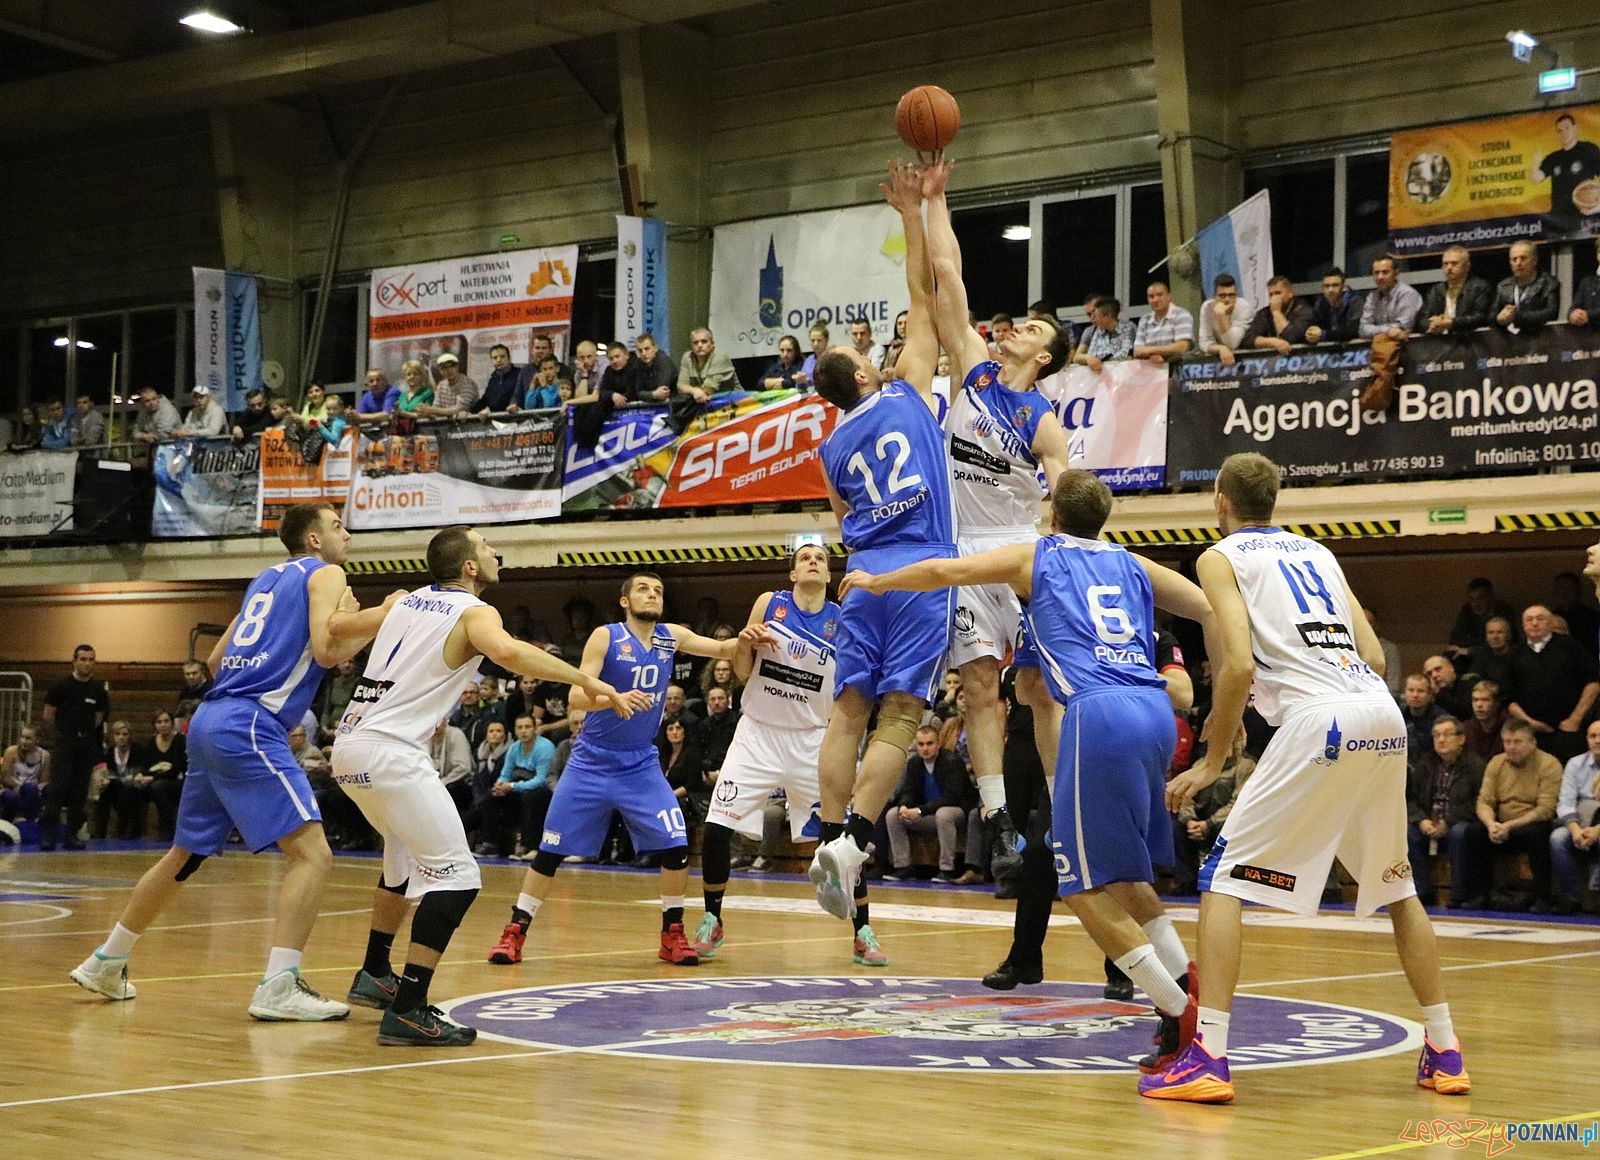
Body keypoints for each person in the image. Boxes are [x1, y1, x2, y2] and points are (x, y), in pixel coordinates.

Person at [843, 468, 1213, 1074]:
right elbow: (1207, 606)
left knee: (1078, 883)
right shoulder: (1135, 565)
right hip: (1156, 713)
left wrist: (879, 581)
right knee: (1121, 876)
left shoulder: (1038, 558)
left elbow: (945, 572)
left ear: (1054, 517)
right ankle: (1182, 980)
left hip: (1099, 714)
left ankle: (1177, 1011)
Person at [1146, 451, 1469, 1103]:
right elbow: (1373, 653)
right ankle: (1445, 1050)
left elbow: (1235, 664)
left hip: (1321, 720)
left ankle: (1208, 1055)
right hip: (1378, 712)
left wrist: (1212, 759)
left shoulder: (1220, 556)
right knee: (1397, 887)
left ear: (1220, 500)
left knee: (1222, 877)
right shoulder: (1318, 552)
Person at [70, 503, 394, 1019]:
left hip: (209, 719)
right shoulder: (327, 573)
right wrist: (385, 612)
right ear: (312, 540)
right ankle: (279, 986)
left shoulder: (264, 580)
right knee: (314, 855)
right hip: (248, 724)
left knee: (184, 853)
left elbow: (217, 662)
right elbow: (328, 651)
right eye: (337, 526)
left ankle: (108, 959)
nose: (347, 534)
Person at [333, 525, 639, 1045]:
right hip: (390, 753)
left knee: (402, 862)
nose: (497, 552)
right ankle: (408, 1008)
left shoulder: (406, 601)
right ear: (470, 567)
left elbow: (337, 631)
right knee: (457, 876)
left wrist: (334, 599)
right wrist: (586, 680)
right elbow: (510, 653)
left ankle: (374, 973)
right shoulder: (475, 611)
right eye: (487, 547)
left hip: (349, 747)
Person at [805, 160, 956, 923]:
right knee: (902, 713)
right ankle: (854, 840)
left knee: (846, 714)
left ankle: (828, 831)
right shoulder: (904, 390)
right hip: (923, 570)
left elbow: (838, 523)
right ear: (865, 374)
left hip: (862, 572)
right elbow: (925, 298)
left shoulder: (830, 450)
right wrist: (912, 209)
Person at [920, 155, 1073, 887]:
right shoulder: (974, 372)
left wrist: (1057, 540)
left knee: (1041, 691)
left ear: (1042, 356)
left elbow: (1071, 498)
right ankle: (999, 818)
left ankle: (1065, 809)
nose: (1013, 329)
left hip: (1023, 558)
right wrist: (935, 200)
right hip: (965, 554)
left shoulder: (1043, 424)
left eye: (1031, 328)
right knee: (979, 686)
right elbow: (948, 276)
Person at [486, 572, 762, 968]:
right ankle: (515, 931)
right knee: (550, 851)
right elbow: (577, 696)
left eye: (659, 591)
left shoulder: (670, 636)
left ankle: (672, 933)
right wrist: (611, 698)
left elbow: (722, 646)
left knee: (676, 844)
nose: (652, 594)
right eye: (643, 589)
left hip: (640, 763)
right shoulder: (606, 636)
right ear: (625, 601)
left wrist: (761, 636)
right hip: (591, 761)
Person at [692, 545, 889, 963]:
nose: (813, 561)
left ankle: (864, 930)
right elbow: (743, 671)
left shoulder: (843, 616)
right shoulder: (769, 604)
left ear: (830, 574)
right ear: (793, 574)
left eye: (820, 557)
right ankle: (713, 919)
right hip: (758, 733)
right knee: (716, 827)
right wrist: (745, 642)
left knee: (840, 840)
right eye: (805, 559)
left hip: (815, 738)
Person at [38, 643, 110, 850]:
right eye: (83, 659)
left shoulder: (97, 689)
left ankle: (72, 833)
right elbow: (48, 715)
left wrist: (84, 733)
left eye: (91, 659)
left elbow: (99, 717)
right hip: (64, 743)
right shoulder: (61, 685)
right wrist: (63, 735)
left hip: (86, 744)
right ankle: (49, 834)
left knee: (79, 790)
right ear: (75, 661)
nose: (87, 663)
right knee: (58, 787)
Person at [1531, 111, 1600, 234]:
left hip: (1583, 217)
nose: (1564, 133)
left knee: (1584, 251)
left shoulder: (1588, 150)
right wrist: (1535, 163)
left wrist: (1597, 206)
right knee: (1558, 251)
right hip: (1558, 219)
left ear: (1575, 129)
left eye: (1567, 128)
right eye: (1560, 130)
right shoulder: (1553, 158)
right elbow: (1536, 178)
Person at [1417, 247, 1494, 336]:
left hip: (1469, 341)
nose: (1449, 267)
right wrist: (1431, 324)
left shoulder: (1480, 287)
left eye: (1454, 263)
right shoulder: (1436, 290)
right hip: (1439, 342)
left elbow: (1481, 318)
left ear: (1467, 266)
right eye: (1445, 264)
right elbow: (1421, 321)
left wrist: (1451, 323)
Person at [1, 726, 50, 832]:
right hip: (12, 787)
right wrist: (18, 787)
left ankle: (30, 824)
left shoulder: (45, 755)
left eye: (28, 738)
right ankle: (9, 824)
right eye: (22, 737)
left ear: (37, 740)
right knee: (14, 795)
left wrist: (37, 788)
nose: (24, 741)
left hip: (32, 790)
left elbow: (43, 781)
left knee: (34, 789)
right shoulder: (11, 751)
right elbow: (5, 778)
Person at [1305, 269, 1363, 344]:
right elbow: (1313, 324)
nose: (1330, 290)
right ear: (1322, 288)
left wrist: (1324, 335)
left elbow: (1354, 330)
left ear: (1344, 286)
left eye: (1335, 285)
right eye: (1326, 286)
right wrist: (1311, 333)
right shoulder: (1320, 304)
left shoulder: (1355, 301)